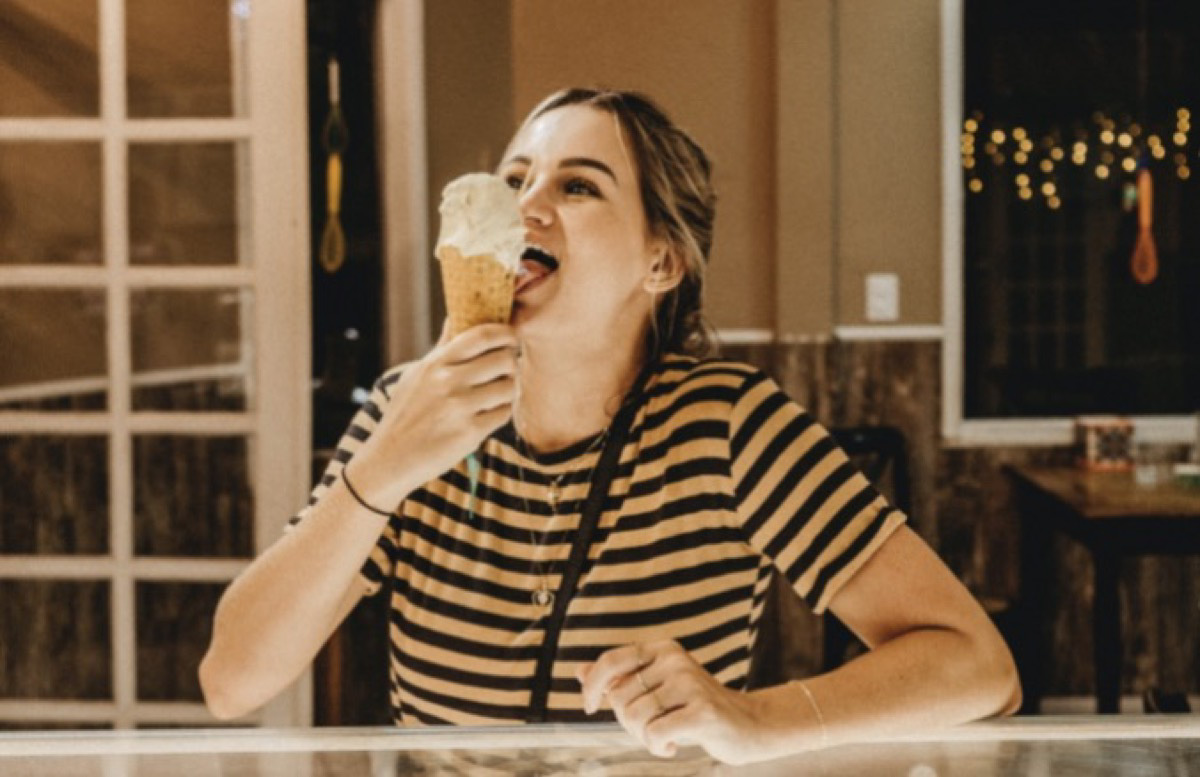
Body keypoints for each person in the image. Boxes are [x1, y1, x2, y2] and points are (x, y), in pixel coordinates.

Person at [199, 87, 1020, 765]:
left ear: (660, 262)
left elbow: (978, 667)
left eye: (577, 185)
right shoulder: (402, 416)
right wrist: (378, 473)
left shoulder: (728, 427)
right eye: (516, 177)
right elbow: (231, 680)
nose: (528, 204)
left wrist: (754, 719)